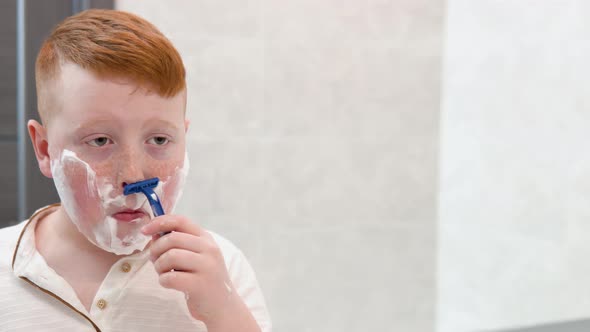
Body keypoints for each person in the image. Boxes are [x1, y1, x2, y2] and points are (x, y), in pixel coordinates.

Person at [0, 9, 271, 332]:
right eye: (100, 140)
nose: (134, 174)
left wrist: (223, 312)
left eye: (158, 139)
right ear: (45, 150)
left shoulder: (223, 271)